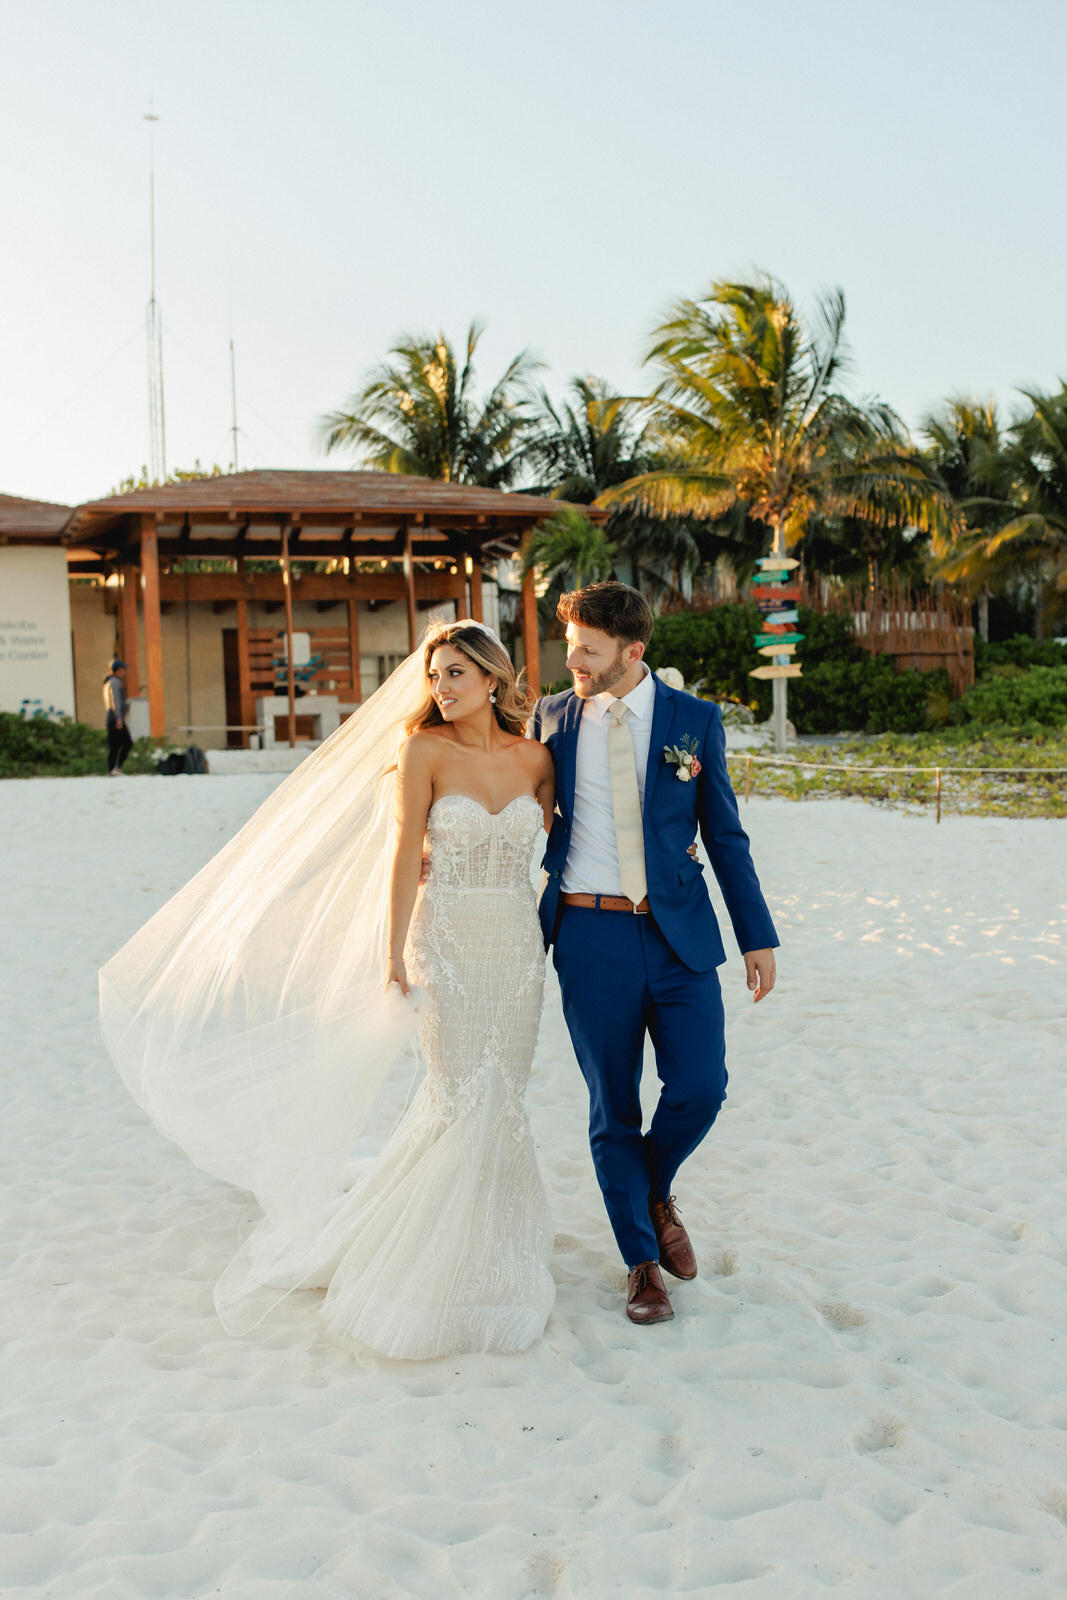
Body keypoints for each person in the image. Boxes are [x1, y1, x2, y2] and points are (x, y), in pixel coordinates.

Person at [99, 619, 558, 1360]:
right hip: (443, 944)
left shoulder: (537, 758)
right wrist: (393, 955)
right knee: (458, 1092)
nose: (439, 689)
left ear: (494, 680)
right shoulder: (423, 750)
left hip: (515, 946)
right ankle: (433, 1253)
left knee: (504, 1092)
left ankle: (494, 1239)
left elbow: (569, 842)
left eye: (455, 675)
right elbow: (406, 850)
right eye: (434, 675)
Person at [529, 582, 779, 1326]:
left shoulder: (693, 722)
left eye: (587, 649)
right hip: (588, 935)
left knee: (701, 1086)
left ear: (632, 653)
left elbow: (724, 834)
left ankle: (652, 1186)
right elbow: (510, 805)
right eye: (569, 643)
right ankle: (641, 1262)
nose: (570, 659)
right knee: (613, 1105)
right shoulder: (549, 717)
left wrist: (755, 934)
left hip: (680, 936)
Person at [102, 658, 133, 775]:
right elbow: (116, 700)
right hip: (115, 718)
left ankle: (112, 770)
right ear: (118, 670)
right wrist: (119, 718)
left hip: (112, 717)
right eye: (124, 669)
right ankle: (116, 768)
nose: (125, 671)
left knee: (115, 745)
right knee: (127, 743)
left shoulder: (108, 682)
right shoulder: (115, 682)